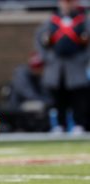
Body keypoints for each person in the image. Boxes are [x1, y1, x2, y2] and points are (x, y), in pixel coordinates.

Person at [35, 0, 90, 134]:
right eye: (65, 2)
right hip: (56, 66)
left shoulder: (83, 21)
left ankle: (79, 123)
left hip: (75, 64)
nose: (67, 5)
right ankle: (59, 124)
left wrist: (83, 58)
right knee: (58, 98)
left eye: (70, 2)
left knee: (78, 97)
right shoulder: (51, 20)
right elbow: (40, 40)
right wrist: (47, 57)